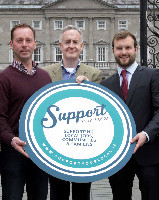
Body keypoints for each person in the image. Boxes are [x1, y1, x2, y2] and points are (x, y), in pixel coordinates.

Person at [101, 30, 159, 200]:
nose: (123, 52)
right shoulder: (106, 84)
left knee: (153, 196)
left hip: (148, 151)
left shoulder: (152, 75)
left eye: (128, 47)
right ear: (113, 50)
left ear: (136, 49)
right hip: (117, 156)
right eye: (119, 48)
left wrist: (146, 134)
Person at [0, 23, 51, 200]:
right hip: (13, 152)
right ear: (11, 45)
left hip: (40, 152)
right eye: (19, 41)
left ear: (34, 44)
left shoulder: (45, 77)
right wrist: (11, 139)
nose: (24, 44)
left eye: (28, 40)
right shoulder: (2, 79)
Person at [42, 25, 102, 200]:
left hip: (83, 145)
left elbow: (99, 111)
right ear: (60, 46)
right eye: (67, 42)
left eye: (75, 42)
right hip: (54, 145)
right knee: (57, 193)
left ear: (82, 46)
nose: (71, 45)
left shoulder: (94, 74)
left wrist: (90, 88)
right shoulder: (45, 73)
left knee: (82, 194)